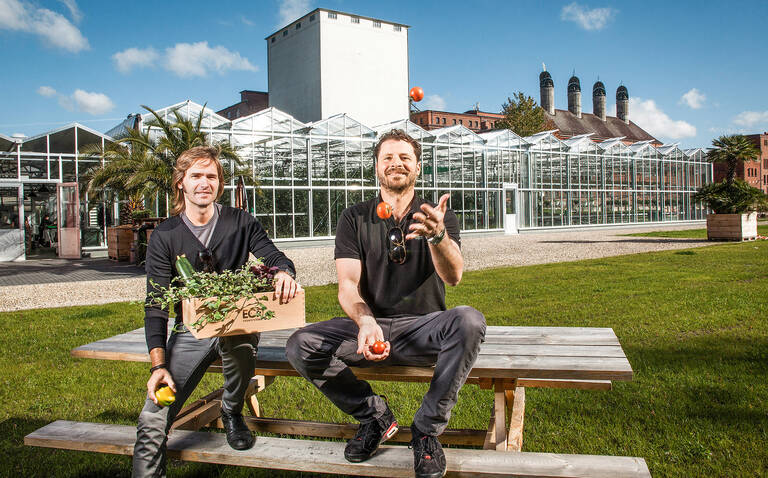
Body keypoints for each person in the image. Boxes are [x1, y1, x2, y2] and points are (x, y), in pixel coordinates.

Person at [286, 129, 486, 478]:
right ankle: (374, 416)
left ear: (418, 168)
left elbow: (453, 276)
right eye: (388, 158)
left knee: (469, 321)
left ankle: (426, 429)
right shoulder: (355, 218)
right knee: (301, 344)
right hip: (369, 329)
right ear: (376, 167)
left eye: (405, 157)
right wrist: (365, 321)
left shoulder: (435, 215)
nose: (396, 163)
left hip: (423, 329)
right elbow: (348, 285)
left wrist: (438, 236)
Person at [133, 146, 300, 477]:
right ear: (181, 182)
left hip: (237, 324)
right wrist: (158, 367)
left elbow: (276, 257)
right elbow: (155, 304)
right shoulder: (165, 236)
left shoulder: (240, 223)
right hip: (190, 331)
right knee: (153, 415)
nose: (204, 183)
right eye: (196, 175)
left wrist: (283, 272)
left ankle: (232, 411)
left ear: (219, 184)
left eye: (211, 176)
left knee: (240, 347)